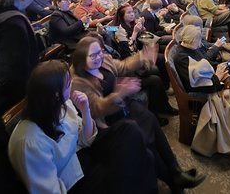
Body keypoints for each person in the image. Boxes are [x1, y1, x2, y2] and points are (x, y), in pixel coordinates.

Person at [70, 37, 205, 192]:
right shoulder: (77, 81)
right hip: (104, 122)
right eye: (92, 55)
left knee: (150, 119)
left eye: (99, 51)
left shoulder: (104, 60)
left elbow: (123, 66)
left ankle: (175, 170)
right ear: (81, 59)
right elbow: (97, 109)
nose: (98, 57)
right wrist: (119, 94)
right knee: (144, 138)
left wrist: (141, 57)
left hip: (121, 106)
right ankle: (172, 177)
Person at [8, 60, 160, 194]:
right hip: (73, 180)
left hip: (84, 154)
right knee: (145, 158)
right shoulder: (29, 142)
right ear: (55, 94)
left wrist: (85, 110)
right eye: (68, 84)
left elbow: (86, 140)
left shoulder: (62, 104)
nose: (72, 85)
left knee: (130, 129)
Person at [173, 25, 230, 158]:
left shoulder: (191, 48)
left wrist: (219, 68)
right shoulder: (182, 58)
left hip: (212, 83)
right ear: (192, 41)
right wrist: (217, 77)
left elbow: (203, 63)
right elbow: (196, 85)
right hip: (204, 93)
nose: (201, 43)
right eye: (199, 41)